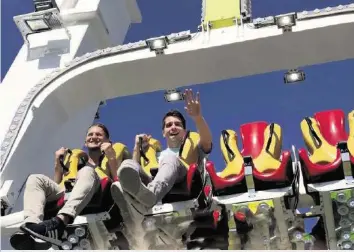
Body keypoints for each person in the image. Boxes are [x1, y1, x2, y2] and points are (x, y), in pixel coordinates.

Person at [10, 123, 122, 250]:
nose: (93, 137)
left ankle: (61, 221)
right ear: (85, 141)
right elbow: (58, 187)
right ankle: (33, 227)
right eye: (90, 134)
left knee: (87, 171)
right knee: (35, 178)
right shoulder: (76, 164)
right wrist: (58, 163)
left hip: (99, 193)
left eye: (98, 134)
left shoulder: (110, 158)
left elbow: (118, 181)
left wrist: (111, 156)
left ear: (107, 141)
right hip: (72, 192)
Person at [112, 89, 212, 210]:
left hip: (184, 184)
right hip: (151, 184)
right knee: (127, 164)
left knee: (170, 159)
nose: (173, 127)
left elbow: (206, 143)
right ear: (163, 133)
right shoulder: (156, 154)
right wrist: (137, 147)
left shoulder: (194, 147)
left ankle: (150, 195)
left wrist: (197, 118)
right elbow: (135, 169)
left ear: (184, 131)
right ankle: (132, 202)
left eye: (177, 124)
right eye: (168, 125)